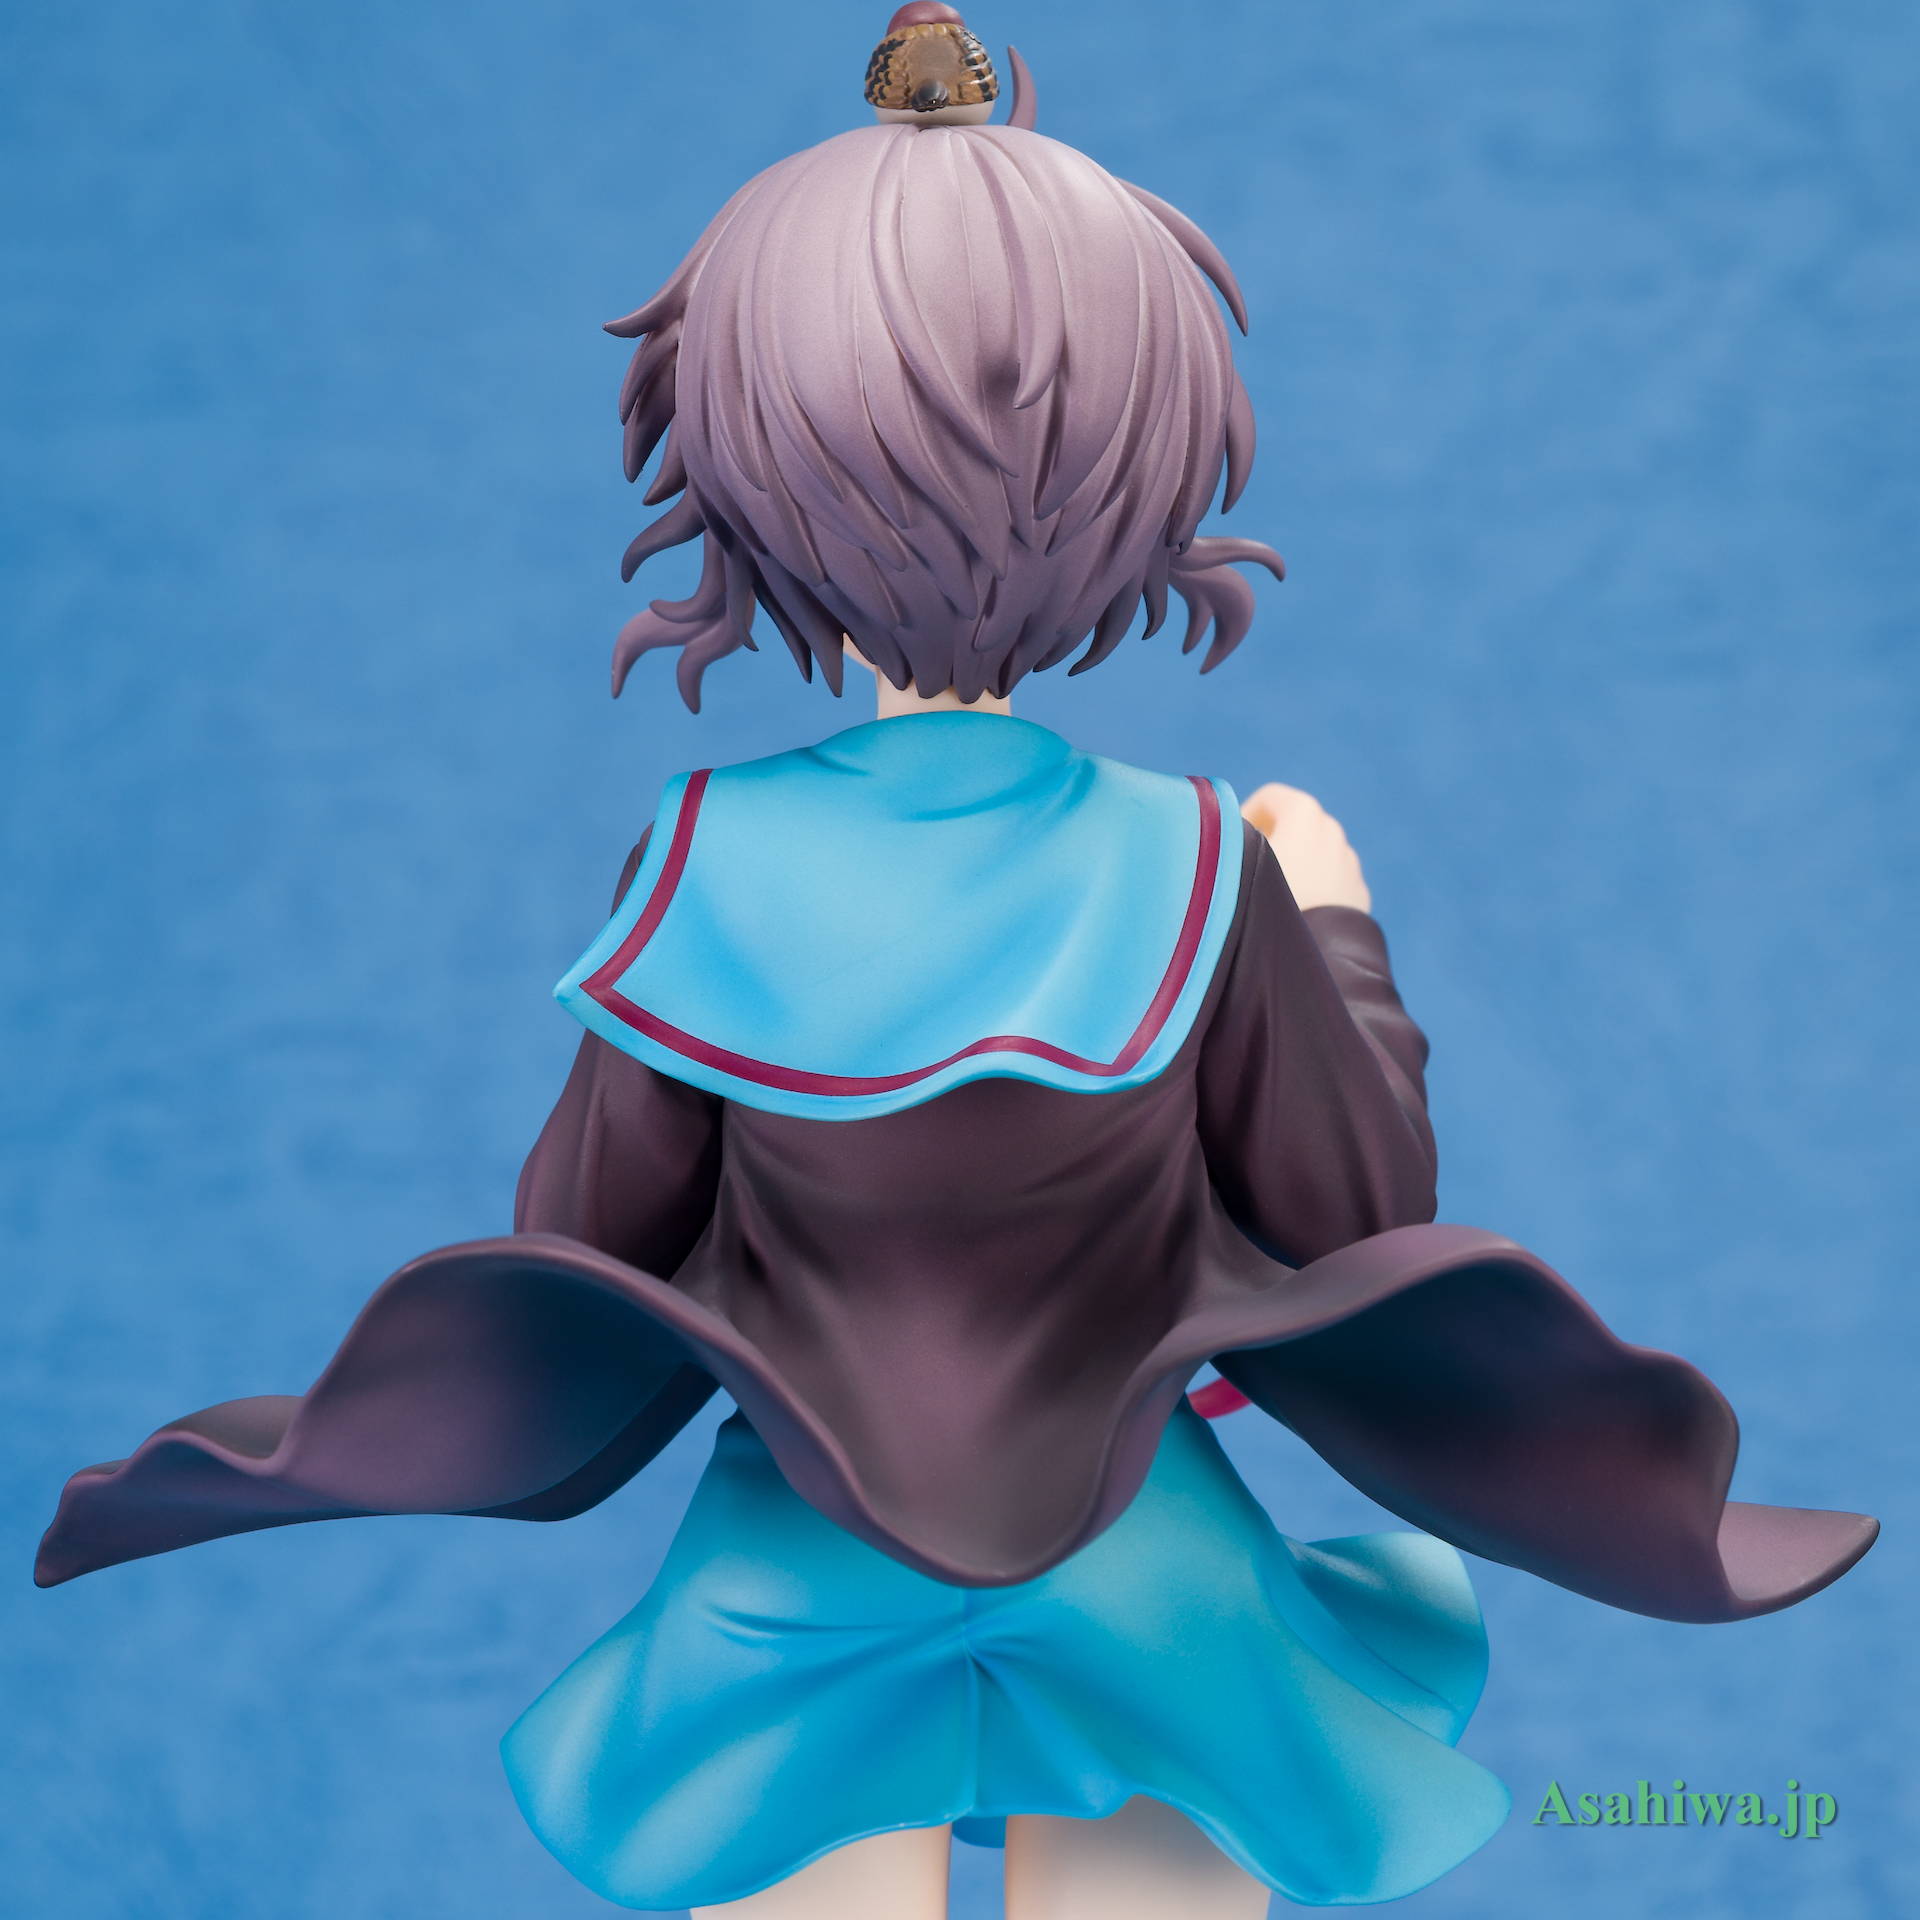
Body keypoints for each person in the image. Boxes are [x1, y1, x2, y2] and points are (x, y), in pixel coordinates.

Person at [36, 18, 1876, 1918]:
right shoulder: (1194, 860)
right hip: (1142, 1570)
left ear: (741, 470)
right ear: (1137, 472)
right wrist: (1337, 924)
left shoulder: (707, 856)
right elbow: (1358, 1213)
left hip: (795, 1578)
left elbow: (582, 1233)